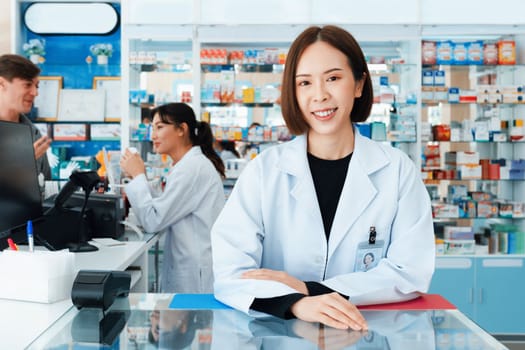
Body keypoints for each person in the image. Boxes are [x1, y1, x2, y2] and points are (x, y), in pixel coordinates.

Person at [211, 25, 435, 331]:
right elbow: (231, 271)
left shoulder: (396, 170)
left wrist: (308, 287)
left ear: (358, 84)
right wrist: (298, 302)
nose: (320, 95)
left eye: (333, 78)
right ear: (293, 92)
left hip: (366, 332)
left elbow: (410, 272)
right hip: (279, 332)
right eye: (305, 83)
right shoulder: (264, 171)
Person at [120, 102, 225, 293]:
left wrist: (138, 176)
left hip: (195, 274)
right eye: (152, 128)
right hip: (191, 266)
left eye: (160, 127)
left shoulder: (191, 169)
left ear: (181, 129)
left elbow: (154, 220)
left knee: (191, 321)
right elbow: (165, 204)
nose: (153, 136)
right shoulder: (186, 166)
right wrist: (139, 178)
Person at [0, 54, 51, 180]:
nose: (35, 93)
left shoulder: (33, 133)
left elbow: (47, 184)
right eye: (27, 85)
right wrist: (22, 163)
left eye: (36, 86)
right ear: (2, 83)